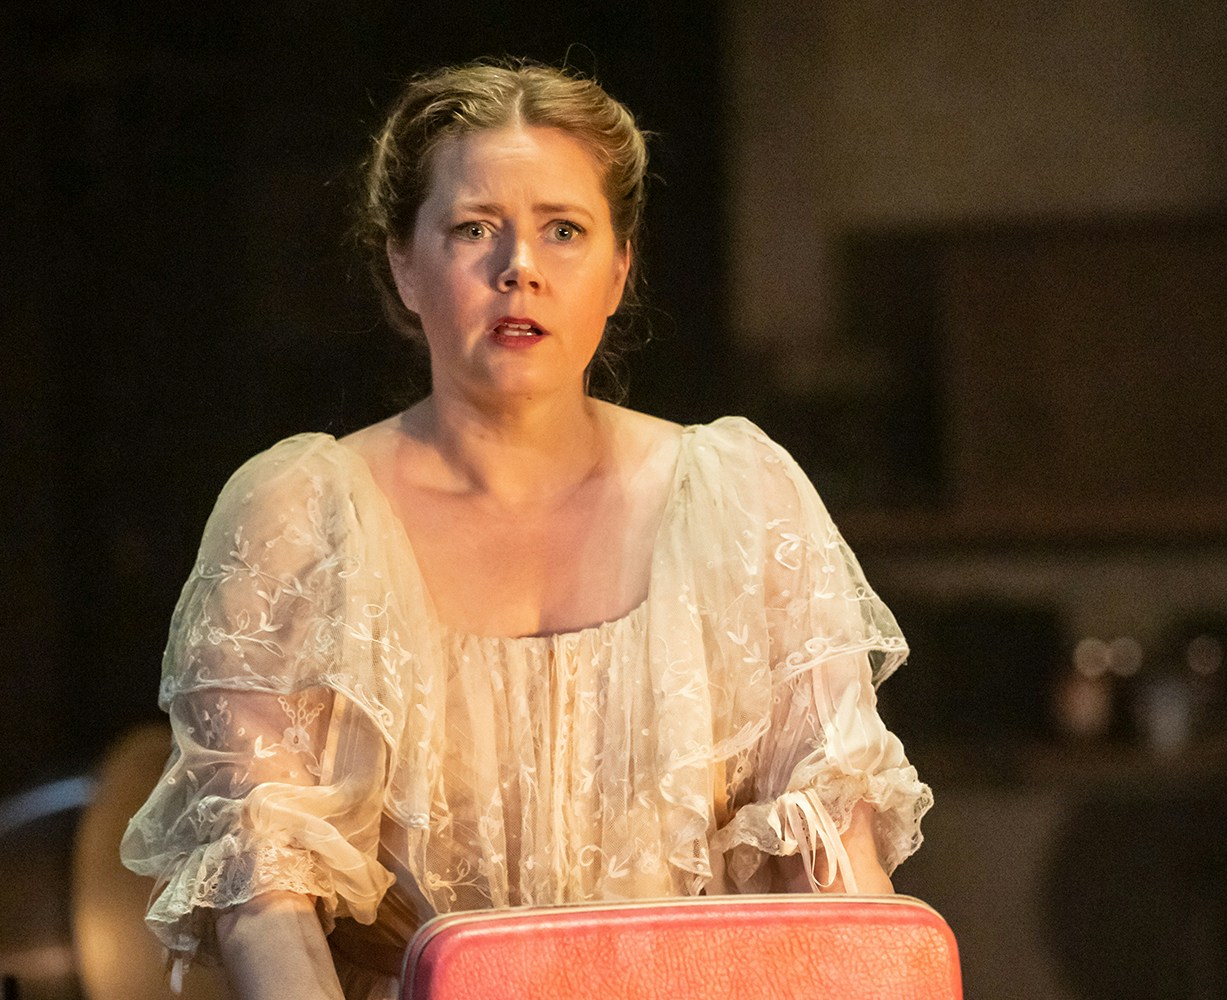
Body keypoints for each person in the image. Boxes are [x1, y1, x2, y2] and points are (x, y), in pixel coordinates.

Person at [119, 57, 931, 1000]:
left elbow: (831, 863)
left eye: (564, 230)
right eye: (473, 229)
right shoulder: (299, 515)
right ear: (402, 263)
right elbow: (264, 891)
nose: (521, 269)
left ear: (620, 268)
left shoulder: (740, 501)